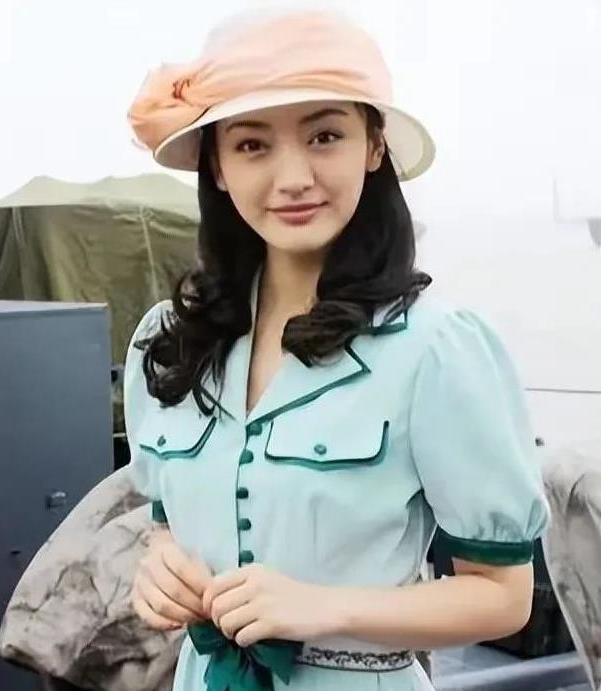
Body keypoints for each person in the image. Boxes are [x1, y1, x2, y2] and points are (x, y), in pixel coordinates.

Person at [124, 8, 550, 691]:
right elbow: (167, 524)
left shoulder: (436, 349)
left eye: (325, 135)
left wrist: (325, 606)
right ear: (218, 167)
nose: (293, 176)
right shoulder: (171, 341)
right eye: (252, 144)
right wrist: (161, 566)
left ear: (374, 147)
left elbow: (502, 595)